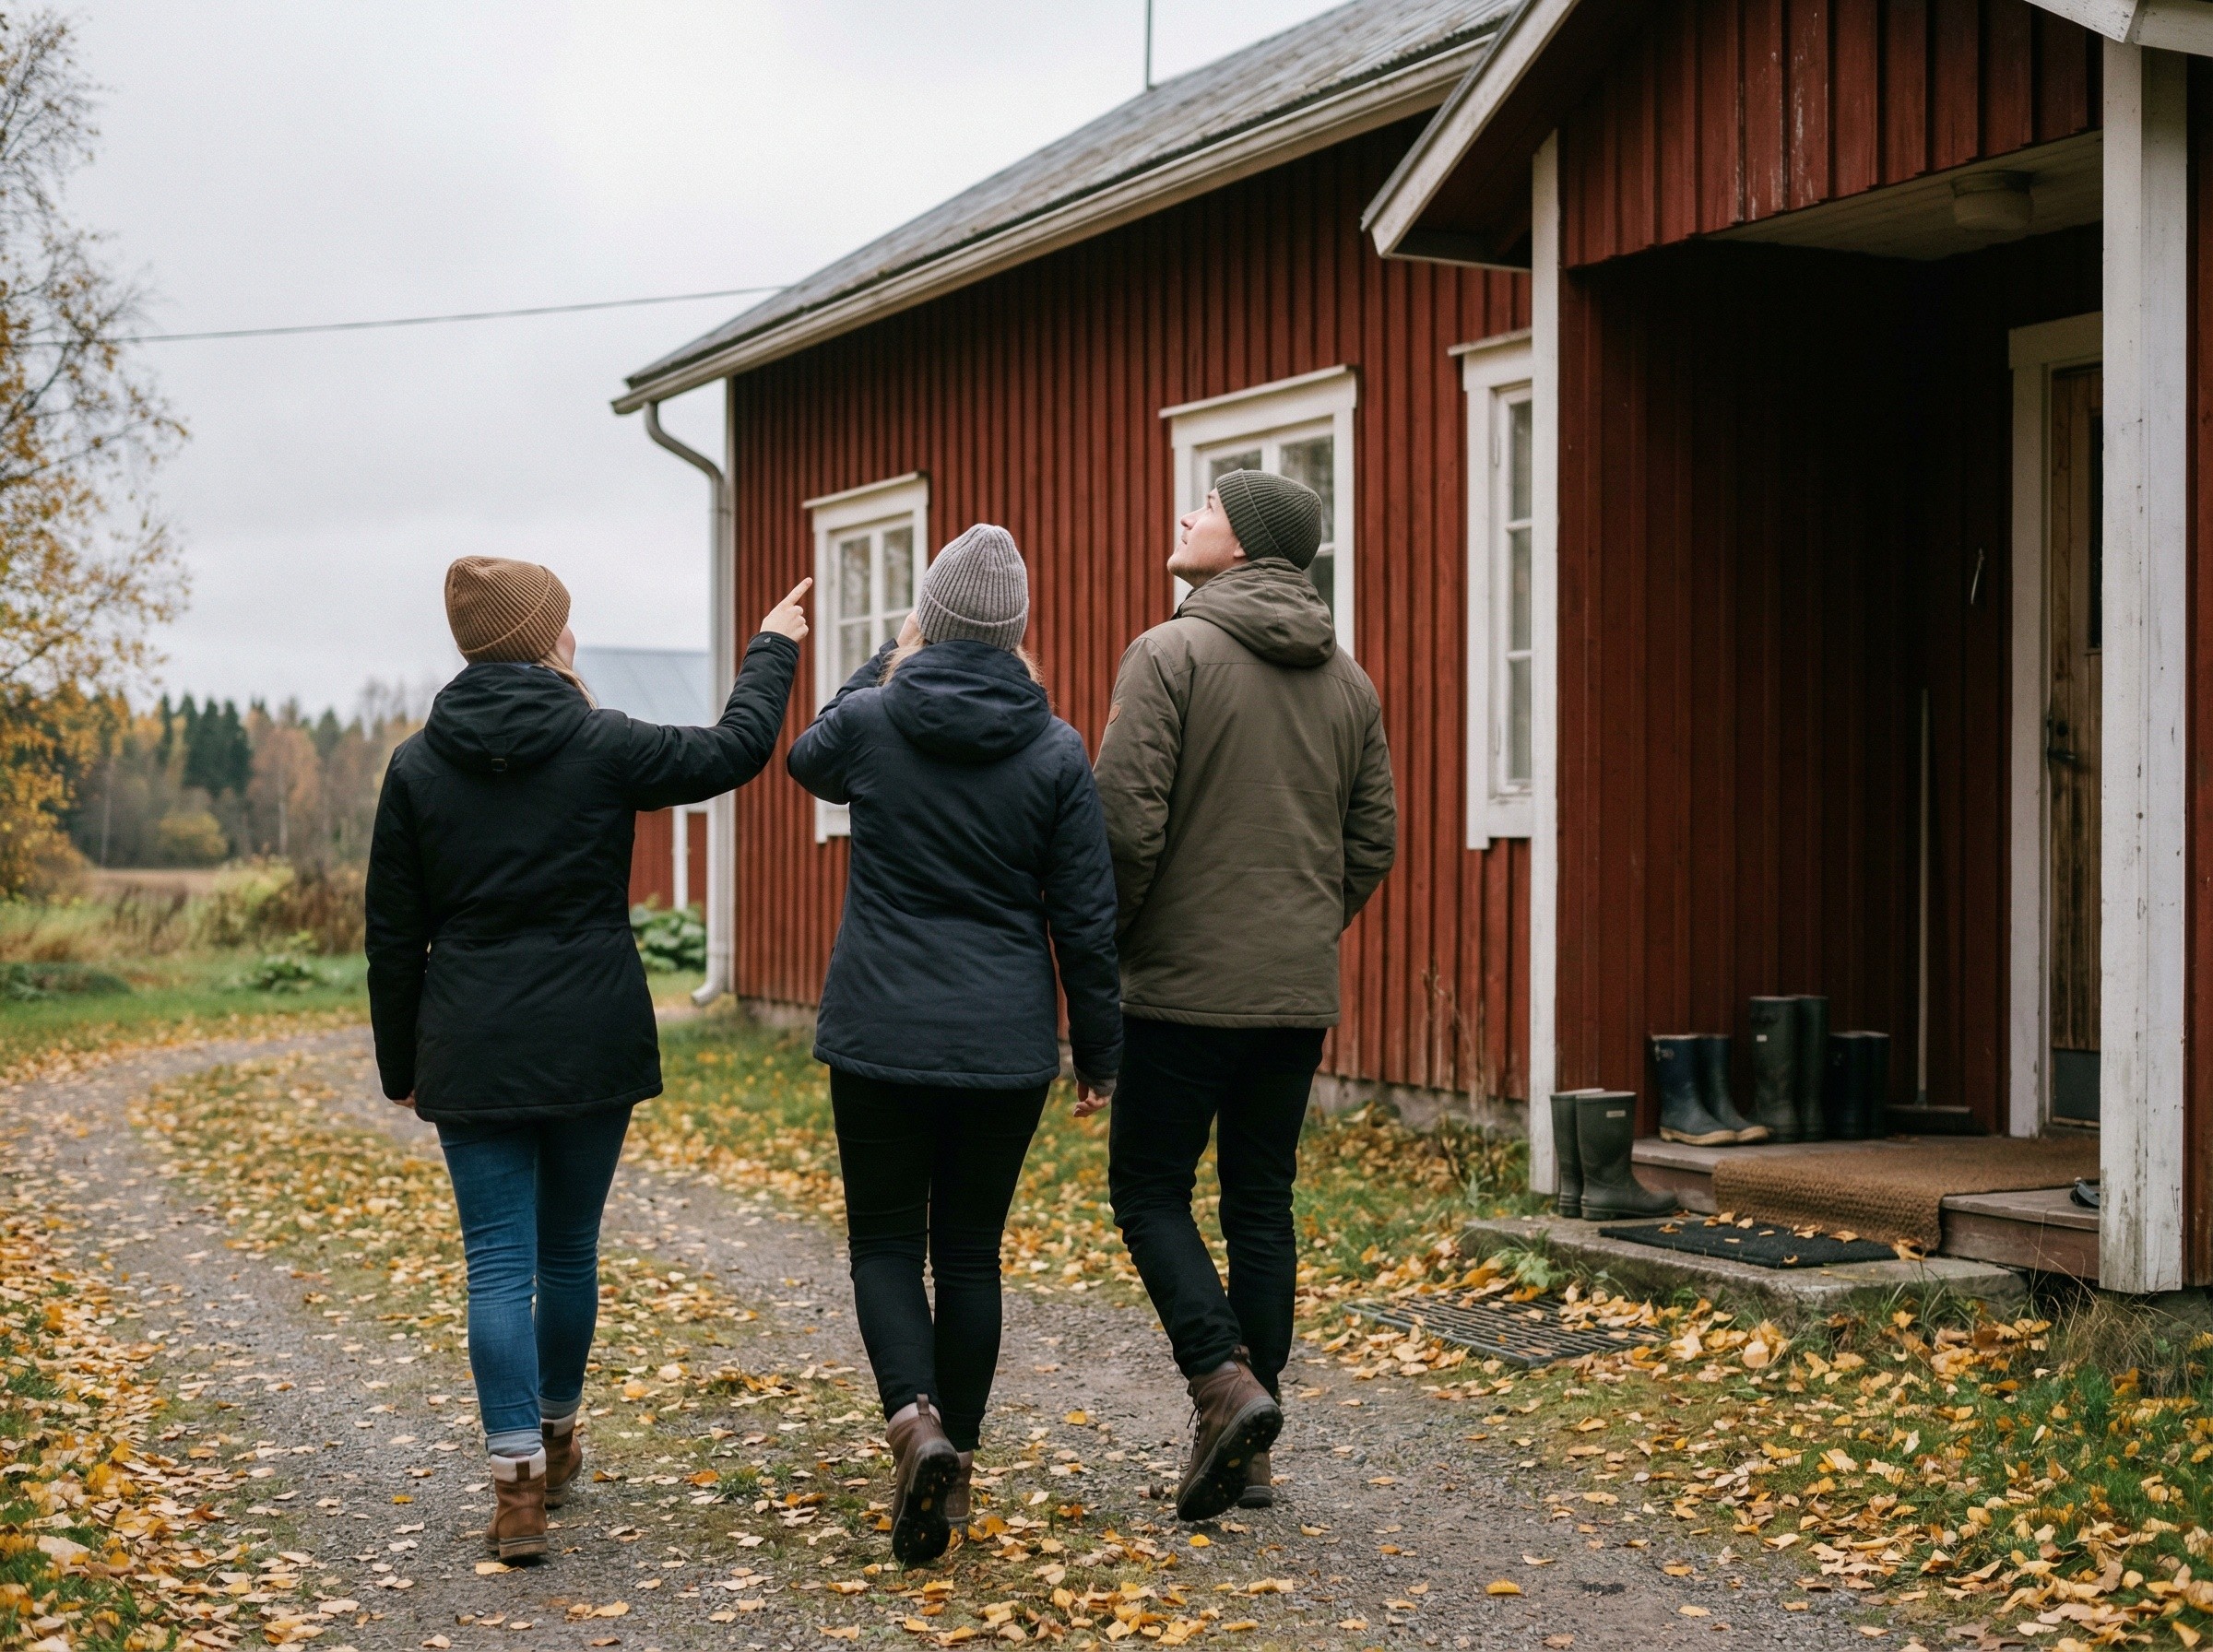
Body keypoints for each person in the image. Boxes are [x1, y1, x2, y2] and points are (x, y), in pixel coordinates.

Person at [365, 555, 811, 1563]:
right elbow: (732, 749)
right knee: (566, 1253)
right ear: (543, 637)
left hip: (472, 1048)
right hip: (590, 1037)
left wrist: (402, 1063)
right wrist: (773, 647)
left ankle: (517, 1481)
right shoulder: (600, 740)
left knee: (497, 1265)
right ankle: (557, 1433)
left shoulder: (417, 764)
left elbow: (393, 937)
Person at [787, 524, 1120, 1565]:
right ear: (1018, 632)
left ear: (927, 618)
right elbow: (1087, 919)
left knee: (887, 1243)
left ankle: (913, 1423)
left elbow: (808, 756)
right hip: (1002, 1042)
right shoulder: (1058, 748)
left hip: (880, 1030)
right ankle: (956, 1462)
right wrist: (1099, 1054)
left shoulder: (878, 720)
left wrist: (884, 659)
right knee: (969, 1252)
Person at [1093, 469, 1396, 1524]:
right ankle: (1252, 1449)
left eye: (1206, 508)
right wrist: (1302, 931)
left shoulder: (1168, 653)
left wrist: (1117, 945)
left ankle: (1223, 1385)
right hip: (1292, 994)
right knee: (1261, 1204)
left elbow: (1122, 826)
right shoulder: (1348, 682)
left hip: (1180, 988)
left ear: (1249, 543)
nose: (1183, 516)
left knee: (1147, 1190)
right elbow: (1373, 843)